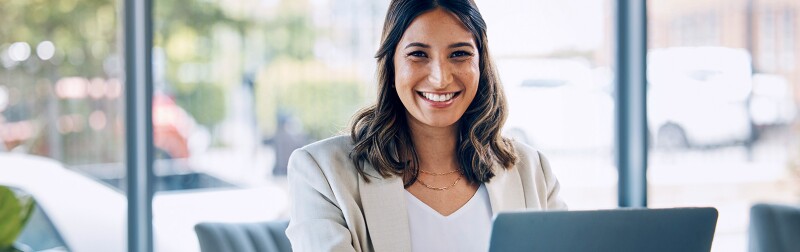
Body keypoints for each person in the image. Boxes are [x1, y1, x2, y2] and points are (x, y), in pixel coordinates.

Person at [286, 0, 567, 251]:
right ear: (391, 63)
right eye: (418, 54)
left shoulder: (531, 171)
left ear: (481, 63)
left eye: (459, 54)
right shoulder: (321, 172)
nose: (440, 78)